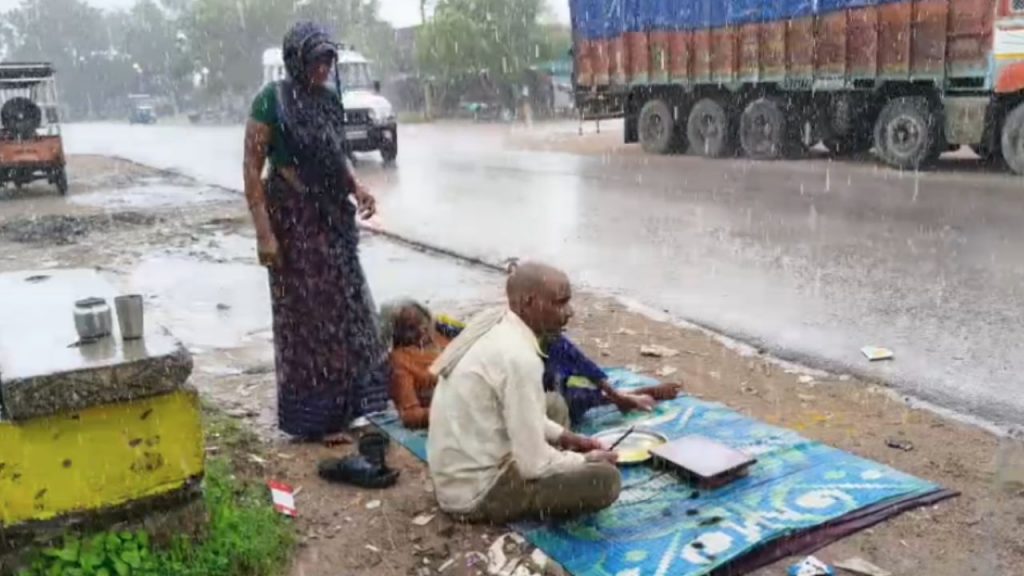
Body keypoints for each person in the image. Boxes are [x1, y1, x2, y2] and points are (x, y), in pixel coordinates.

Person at [243, 21, 388, 442]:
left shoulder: (328, 100)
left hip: (332, 220)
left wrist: (356, 187)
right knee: (308, 321)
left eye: (328, 60)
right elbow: (252, 168)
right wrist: (264, 234)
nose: (324, 69)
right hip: (292, 220)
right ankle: (316, 421)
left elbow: (335, 154)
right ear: (296, 61)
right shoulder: (272, 101)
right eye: (315, 61)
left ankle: (354, 407)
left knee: (349, 311)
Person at [426, 262, 623, 523]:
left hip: (458, 474)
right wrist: (584, 460)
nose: (570, 312)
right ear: (530, 303)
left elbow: (513, 408)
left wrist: (567, 437)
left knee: (553, 405)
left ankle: (557, 455)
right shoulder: (520, 358)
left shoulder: (496, 322)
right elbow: (534, 465)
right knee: (606, 480)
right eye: (560, 303)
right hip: (476, 495)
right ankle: (526, 496)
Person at [383, 299, 679, 430]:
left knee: (553, 344)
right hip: (476, 402)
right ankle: (611, 399)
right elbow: (409, 416)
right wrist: (453, 406)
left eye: (422, 323)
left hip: (493, 377)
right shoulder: (400, 364)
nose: (421, 332)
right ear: (397, 332)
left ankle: (615, 394)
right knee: (555, 400)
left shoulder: (441, 330)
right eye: (411, 329)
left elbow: (479, 333)